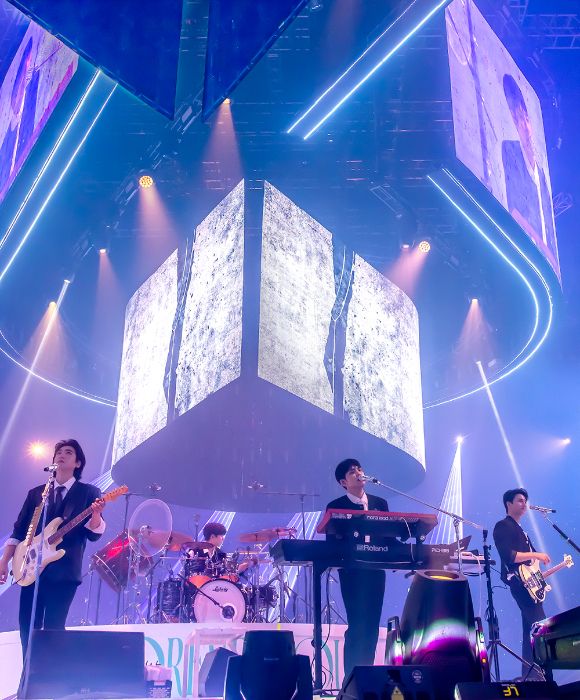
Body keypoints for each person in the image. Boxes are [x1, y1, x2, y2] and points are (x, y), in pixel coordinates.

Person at [0, 439, 106, 659]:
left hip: (64, 573)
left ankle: (50, 678)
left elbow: (94, 534)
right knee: (27, 629)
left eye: (68, 452)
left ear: (77, 463)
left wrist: (96, 514)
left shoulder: (88, 492)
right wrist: (4, 561)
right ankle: (28, 678)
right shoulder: (37, 494)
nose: (61, 455)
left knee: (53, 630)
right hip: (30, 571)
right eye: (58, 452)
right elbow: (19, 530)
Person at [326, 458, 389, 678]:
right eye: (352, 472)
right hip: (352, 572)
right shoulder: (336, 506)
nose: (359, 473)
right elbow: (332, 542)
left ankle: (366, 677)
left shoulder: (380, 503)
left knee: (372, 626)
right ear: (343, 482)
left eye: (360, 469)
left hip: (376, 571)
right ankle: (351, 680)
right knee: (358, 625)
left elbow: (388, 536)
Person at [501, 73, 558, 272]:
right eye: (517, 118)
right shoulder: (509, 150)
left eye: (524, 117)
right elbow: (514, 211)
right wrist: (544, 250)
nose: (523, 125)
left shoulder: (542, 174)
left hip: (544, 261)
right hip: (526, 253)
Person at [493, 488, 550, 679]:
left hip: (529, 585)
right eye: (520, 500)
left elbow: (531, 565)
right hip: (519, 584)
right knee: (540, 628)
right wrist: (537, 554)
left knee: (531, 630)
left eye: (525, 500)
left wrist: (540, 577)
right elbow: (509, 556)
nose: (524, 504)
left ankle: (531, 676)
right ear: (508, 504)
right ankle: (542, 676)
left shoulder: (520, 530)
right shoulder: (502, 526)